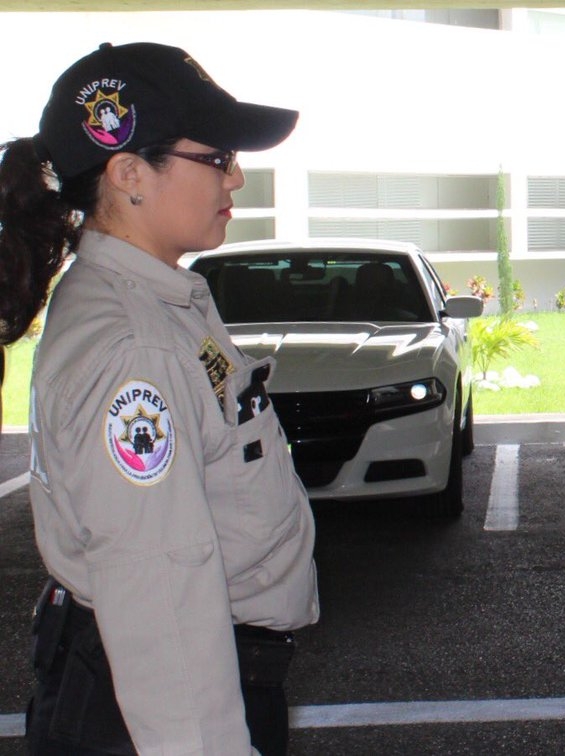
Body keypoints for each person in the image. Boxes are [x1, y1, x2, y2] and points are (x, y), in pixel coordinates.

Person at [0, 42, 319, 755]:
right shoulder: (132, 347)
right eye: (217, 157)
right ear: (129, 173)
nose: (235, 177)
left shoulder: (158, 299)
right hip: (162, 712)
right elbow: (160, 594)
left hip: (169, 687)